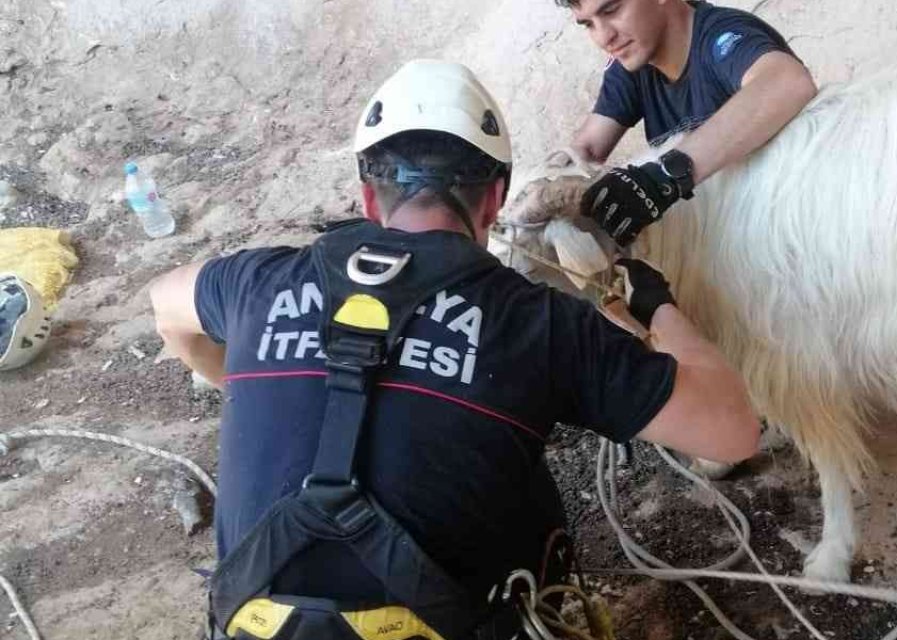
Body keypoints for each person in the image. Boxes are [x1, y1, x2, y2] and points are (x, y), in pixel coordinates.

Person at [149, 59, 758, 639]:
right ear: (493, 200)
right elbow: (733, 433)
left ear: (367, 199)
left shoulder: (258, 282)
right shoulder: (537, 323)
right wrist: (657, 306)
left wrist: (242, 376)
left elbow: (163, 303)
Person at [557, 0, 818, 246]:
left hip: (795, 233)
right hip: (726, 247)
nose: (603, 38)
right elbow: (586, 151)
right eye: (588, 24)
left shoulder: (722, 35)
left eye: (612, 10)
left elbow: (787, 82)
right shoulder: (632, 64)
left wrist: (665, 176)